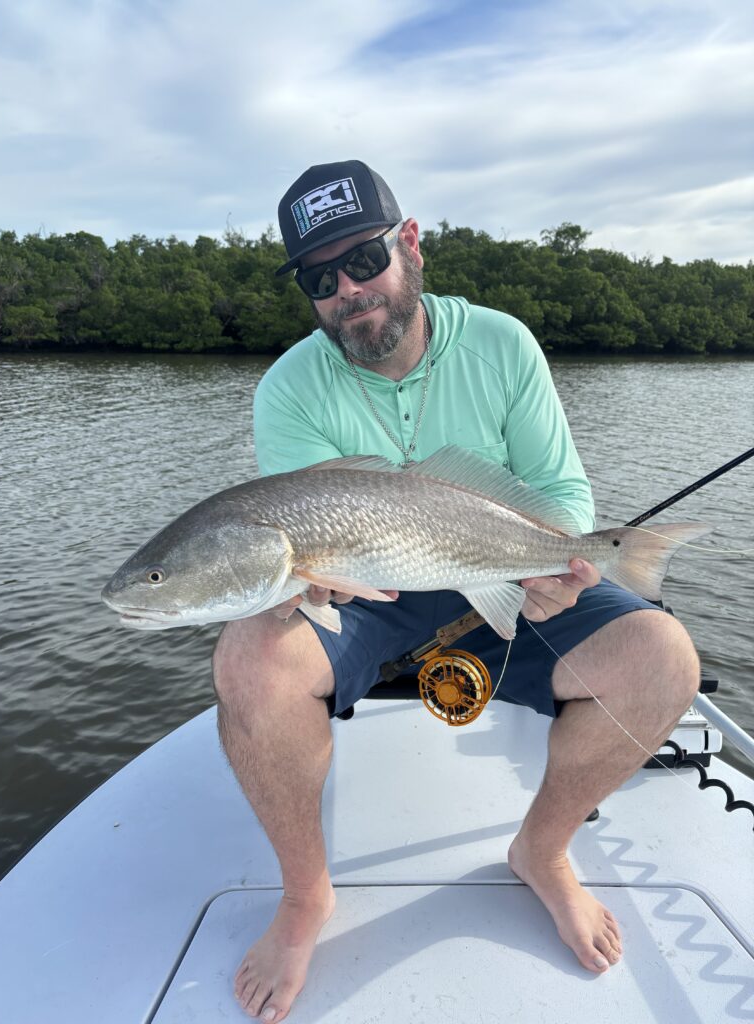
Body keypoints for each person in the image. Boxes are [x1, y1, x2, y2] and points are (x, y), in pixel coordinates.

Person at [212, 160, 700, 1022]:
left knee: (663, 658)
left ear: (410, 243)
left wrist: (558, 566)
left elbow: (561, 493)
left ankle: (542, 851)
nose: (347, 290)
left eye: (363, 260)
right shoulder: (288, 387)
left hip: (500, 562)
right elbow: (311, 538)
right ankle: (306, 895)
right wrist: (286, 590)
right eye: (320, 279)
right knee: (248, 659)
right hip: (365, 591)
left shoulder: (502, 343)